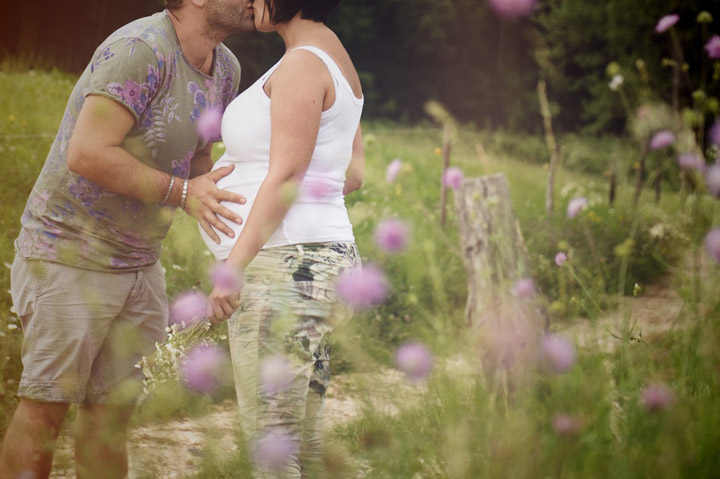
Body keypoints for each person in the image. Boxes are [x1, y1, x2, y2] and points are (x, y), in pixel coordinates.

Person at [0, 1, 255, 477]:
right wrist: (182, 193)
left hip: (140, 265)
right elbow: (88, 153)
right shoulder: (142, 49)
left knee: (111, 419)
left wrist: (233, 219)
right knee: (44, 412)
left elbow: (199, 157)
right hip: (68, 256)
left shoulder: (226, 66)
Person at [200, 0, 364, 476]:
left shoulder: (302, 64)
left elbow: (288, 175)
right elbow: (351, 174)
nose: (249, 1)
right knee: (300, 440)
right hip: (321, 261)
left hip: (287, 270)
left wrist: (231, 268)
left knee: (271, 447)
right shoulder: (335, 60)